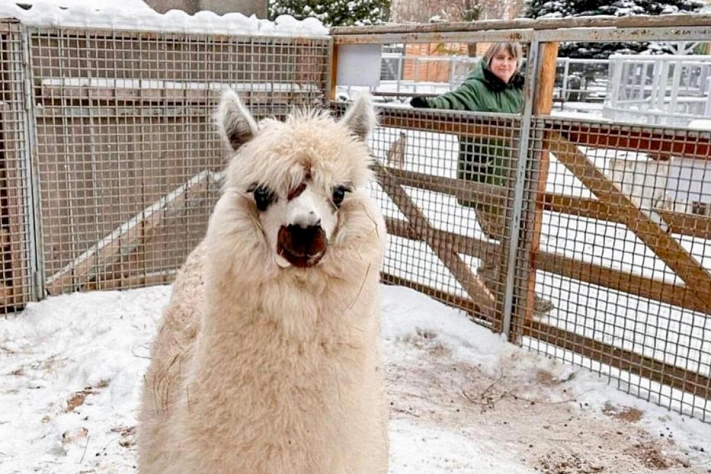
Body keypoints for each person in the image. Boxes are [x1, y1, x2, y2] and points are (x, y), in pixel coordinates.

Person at [410, 42, 554, 314]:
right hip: (485, 179)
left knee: (519, 236)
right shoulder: (477, 87)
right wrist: (429, 105)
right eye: (499, 58)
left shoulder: (521, 89)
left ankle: (511, 293)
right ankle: (500, 293)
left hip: (516, 179)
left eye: (511, 59)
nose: (505, 64)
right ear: (489, 61)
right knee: (506, 236)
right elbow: (453, 101)